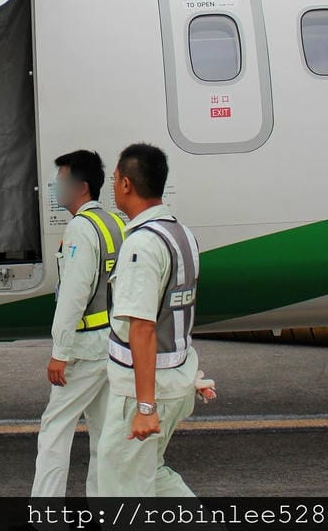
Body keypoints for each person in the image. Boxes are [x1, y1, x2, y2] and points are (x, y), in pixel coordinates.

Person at [97, 143, 199, 497]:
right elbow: (176, 312)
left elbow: (142, 327)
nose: (112, 187)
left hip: (144, 389)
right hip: (175, 378)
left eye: (114, 180)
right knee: (151, 476)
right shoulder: (181, 235)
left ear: (126, 184)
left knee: (119, 489)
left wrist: (145, 407)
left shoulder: (142, 245)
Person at [31, 150, 127, 498]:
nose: (56, 188)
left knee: (55, 429)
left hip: (85, 348)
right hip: (114, 343)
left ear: (82, 187)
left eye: (61, 182)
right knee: (104, 433)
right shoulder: (115, 223)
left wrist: (60, 351)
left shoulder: (80, 229)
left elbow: (73, 294)